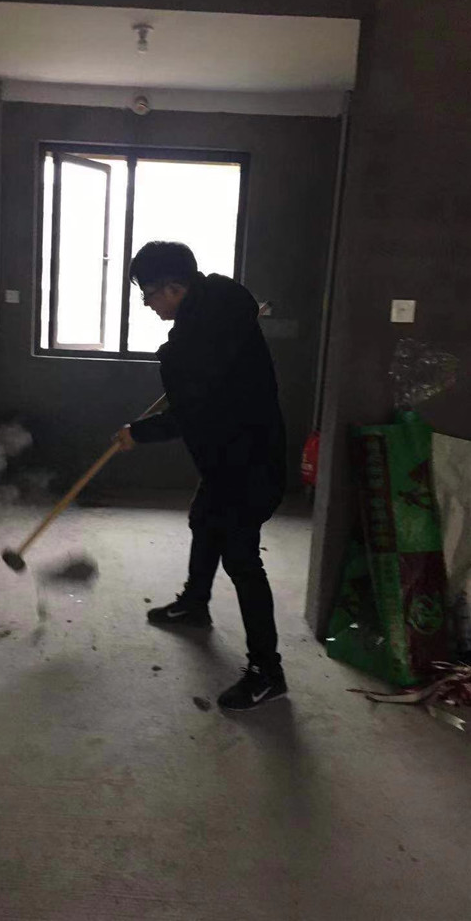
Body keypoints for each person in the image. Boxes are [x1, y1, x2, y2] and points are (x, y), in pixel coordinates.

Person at [114, 241, 287, 711]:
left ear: (175, 287)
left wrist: (138, 433)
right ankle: (195, 602)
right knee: (204, 519)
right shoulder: (222, 307)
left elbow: (192, 413)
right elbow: (201, 395)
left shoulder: (196, 344)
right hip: (236, 453)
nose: (147, 303)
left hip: (247, 462)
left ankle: (267, 672)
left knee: (242, 559)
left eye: (149, 294)